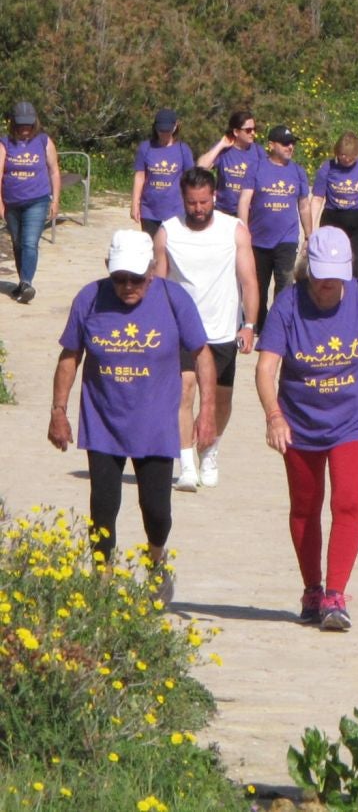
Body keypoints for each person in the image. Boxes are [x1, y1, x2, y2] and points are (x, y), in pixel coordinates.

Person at [50, 229, 213, 603]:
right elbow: (70, 356)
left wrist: (208, 411)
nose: (127, 287)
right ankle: (101, 582)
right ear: (108, 269)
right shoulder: (90, 299)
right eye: (119, 278)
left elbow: (202, 353)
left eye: (136, 279)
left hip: (156, 423)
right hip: (103, 419)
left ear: (152, 271)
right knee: (102, 506)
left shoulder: (174, 300)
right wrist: (58, 410)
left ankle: (156, 561)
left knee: (156, 509)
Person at [256, 225, 358, 632]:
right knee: (306, 505)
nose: (328, 286)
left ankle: (336, 594)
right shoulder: (288, 305)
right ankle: (312, 588)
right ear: (309, 271)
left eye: (336, 277)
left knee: (348, 503)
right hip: (300, 421)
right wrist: (273, 415)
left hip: (357, 417)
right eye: (321, 277)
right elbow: (266, 367)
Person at [155, 168, 259, 494]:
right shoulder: (168, 232)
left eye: (203, 202)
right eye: (192, 203)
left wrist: (250, 325)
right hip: (181, 330)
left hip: (222, 329)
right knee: (184, 391)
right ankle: (186, 463)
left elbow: (249, 281)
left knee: (220, 402)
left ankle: (209, 451)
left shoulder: (234, 231)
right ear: (183, 200)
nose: (198, 209)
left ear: (214, 196)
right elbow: (159, 284)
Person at [238, 125, 312, 319]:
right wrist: (243, 230)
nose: (290, 147)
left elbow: (304, 205)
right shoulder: (257, 167)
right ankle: (257, 322)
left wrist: (309, 235)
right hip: (258, 239)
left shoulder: (298, 171)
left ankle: (280, 322)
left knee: (285, 284)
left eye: (292, 144)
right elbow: (244, 201)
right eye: (285, 143)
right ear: (271, 145)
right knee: (258, 285)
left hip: (286, 239)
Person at [3, 101, 59, 304]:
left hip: (38, 200)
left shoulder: (44, 141)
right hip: (12, 202)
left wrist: (56, 200)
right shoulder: (5, 143)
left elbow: (54, 171)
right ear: (14, 124)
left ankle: (27, 282)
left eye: (28, 124)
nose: (25, 128)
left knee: (29, 242)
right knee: (18, 244)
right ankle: (22, 282)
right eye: (21, 124)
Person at [311, 132, 358, 278]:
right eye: (342, 155)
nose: (346, 159)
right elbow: (317, 199)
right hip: (333, 220)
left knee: (357, 271)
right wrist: (312, 229)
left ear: (357, 154)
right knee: (332, 270)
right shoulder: (327, 167)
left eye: (350, 156)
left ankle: (356, 299)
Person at [133, 108, 193, 238]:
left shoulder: (183, 149)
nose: (164, 134)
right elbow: (140, 176)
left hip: (175, 210)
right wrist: (135, 203)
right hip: (149, 210)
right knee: (152, 249)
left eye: (167, 130)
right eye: (161, 130)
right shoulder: (146, 147)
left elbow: (190, 179)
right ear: (155, 128)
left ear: (175, 126)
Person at [198, 110, 259, 217]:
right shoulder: (225, 150)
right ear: (236, 132)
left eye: (254, 129)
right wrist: (221, 145)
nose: (253, 133)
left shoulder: (258, 152)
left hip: (249, 212)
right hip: (224, 211)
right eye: (248, 130)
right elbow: (200, 167)